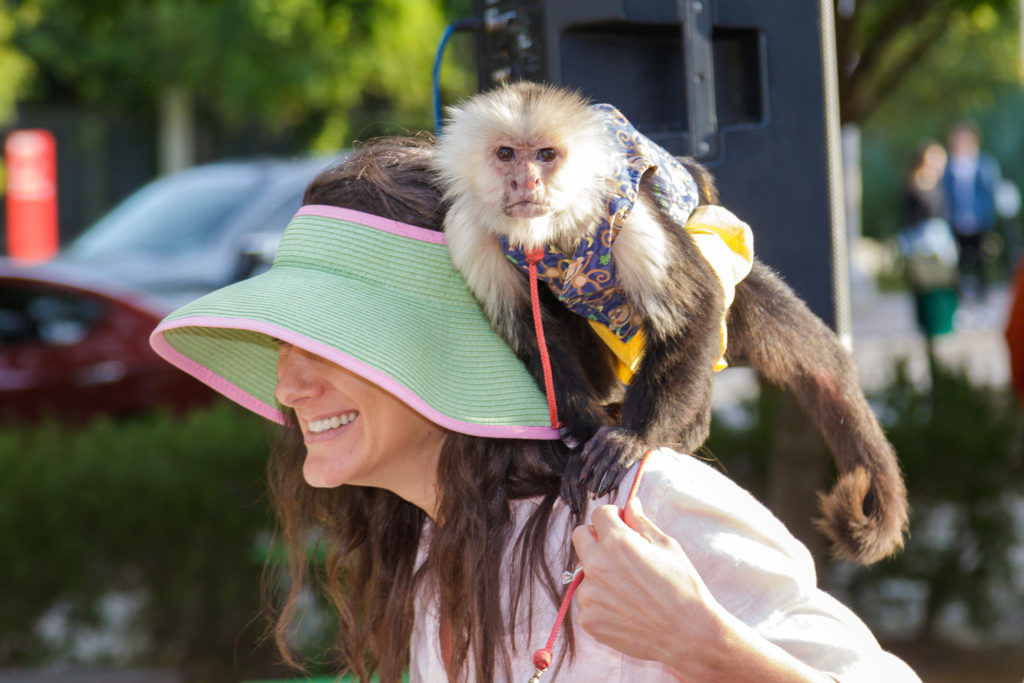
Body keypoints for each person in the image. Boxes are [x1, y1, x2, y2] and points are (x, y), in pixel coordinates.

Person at [150, 136, 920, 681]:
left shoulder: (646, 509)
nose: (289, 387)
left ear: (450, 343)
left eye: (328, 343)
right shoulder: (429, 556)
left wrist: (705, 645)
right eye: (286, 345)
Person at [898, 140, 959, 338]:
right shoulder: (914, 185)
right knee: (925, 285)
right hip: (922, 242)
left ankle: (945, 323)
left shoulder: (940, 184)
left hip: (941, 240)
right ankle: (930, 325)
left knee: (944, 284)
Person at [941, 121, 1001, 299]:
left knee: (981, 260)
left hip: (979, 220)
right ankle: (959, 296)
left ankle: (983, 295)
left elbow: (990, 191)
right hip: (955, 220)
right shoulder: (948, 165)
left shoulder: (984, 164)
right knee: (958, 261)